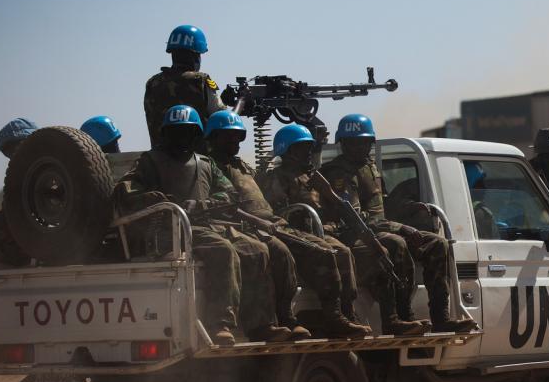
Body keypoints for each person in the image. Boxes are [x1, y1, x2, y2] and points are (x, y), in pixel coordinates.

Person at [113, 105, 292, 346]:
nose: (182, 136)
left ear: (196, 134)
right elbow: (125, 190)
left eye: (187, 131)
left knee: (257, 249)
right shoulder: (150, 161)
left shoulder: (206, 163)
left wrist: (202, 203)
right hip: (171, 230)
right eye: (176, 131)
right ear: (166, 133)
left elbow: (228, 194)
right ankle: (220, 324)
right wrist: (150, 197)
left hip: (208, 225)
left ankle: (260, 325)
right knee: (223, 250)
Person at [261, 124, 425, 336]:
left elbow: (335, 208)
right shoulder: (278, 178)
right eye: (301, 148)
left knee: (379, 253)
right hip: (298, 235)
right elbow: (280, 215)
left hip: (324, 231)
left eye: (309, 148)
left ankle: (388, 318)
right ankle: (340, 314)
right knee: (340, 253)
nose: (307, 153)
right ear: (288, 151)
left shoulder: (313, 176)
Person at [322, 114, 477, 333]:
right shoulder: (338, 174)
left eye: (364, 142)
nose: (360, 147)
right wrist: (402, 228)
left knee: (437, 244)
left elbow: (382, 208)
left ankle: (441, 318)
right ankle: (398, 318)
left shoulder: (370, 169)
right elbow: (356, 218)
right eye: (354, 142)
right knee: (396, 244)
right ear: (343, 144)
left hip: (378, 229)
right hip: (354, 236)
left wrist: (410, 208)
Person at [203, 111, 314, 340]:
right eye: (226, 137)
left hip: (262, 223)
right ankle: (260, 325)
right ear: (212, 138)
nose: (233, 142)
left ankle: (286, 317)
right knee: (261, 252)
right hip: (238, 225)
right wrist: (255, 221)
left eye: (236, 137)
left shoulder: (240, 165)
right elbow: (229, 203)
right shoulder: (209, 166)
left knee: (283, 254)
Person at [144, 25, 224, 150]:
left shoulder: (152, 83)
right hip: (199, 161)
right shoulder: (200, 81)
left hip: (158, 159)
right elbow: (224, 120)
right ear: (195, 56)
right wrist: (242, 100)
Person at [0, 119, 40, 266]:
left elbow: (11, 225)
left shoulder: (21, 180)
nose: (15, 154)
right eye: (12, 150)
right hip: (67, 247)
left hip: (31, 252)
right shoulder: (61, 167)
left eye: (18, 147)